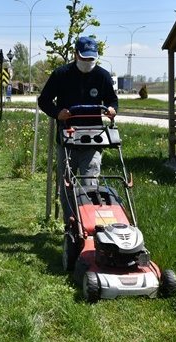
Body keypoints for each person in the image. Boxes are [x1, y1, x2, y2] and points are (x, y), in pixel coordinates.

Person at [38, 36, 118, 223]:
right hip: (68, 139)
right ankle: (71, 225)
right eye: (84, 58)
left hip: (94, 139)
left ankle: (89, 225)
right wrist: (57, 113)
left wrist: (113, 110)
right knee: (67, 185)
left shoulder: (102, 76)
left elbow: (112, 100)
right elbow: (44, 101)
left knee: (90, 184)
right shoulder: (61, 74)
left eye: (91, 59)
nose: (88, 62)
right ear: (76, 55)